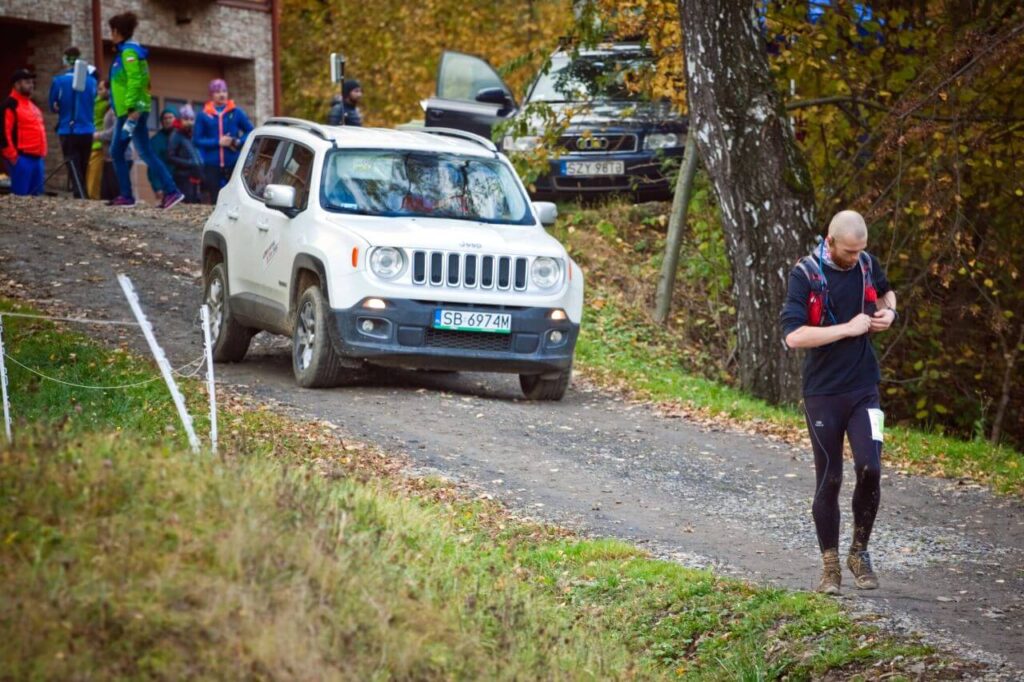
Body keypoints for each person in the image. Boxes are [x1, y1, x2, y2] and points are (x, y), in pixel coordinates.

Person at [780, 210, 898, 595]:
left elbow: (886, 290)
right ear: (830, 242)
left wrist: (889, 313)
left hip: (865, 386)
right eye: (849, 251)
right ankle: (829, 564)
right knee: (829, 478)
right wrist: (847, 328)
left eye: (861, 251)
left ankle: (859, 553)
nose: (856, 258)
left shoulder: (866, 263)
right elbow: (793, 337)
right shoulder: (806, 273)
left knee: (871, 468)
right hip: (823, 392)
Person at [106, 11, 184, 209]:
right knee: (129, 151)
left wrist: (132, 108)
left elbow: (136, 81)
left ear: (117, 31)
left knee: (129, 151)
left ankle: (164, 191)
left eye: (111, 31)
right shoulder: (127, 51)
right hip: (130, 111)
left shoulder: (129, 52)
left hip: (132, 111)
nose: (110, 35)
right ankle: (133, 195)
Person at [48, 46, 97, 198]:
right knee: (83, 165)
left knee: (73, 165)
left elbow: (53, 106)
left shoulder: (59, 81)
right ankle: (82, 194)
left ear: (66, 60)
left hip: (68, 129)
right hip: (87, 129)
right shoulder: (92, 81)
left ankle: (80, 195)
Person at [194, 78, 253, 203]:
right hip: (212, 164)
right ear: (211, 95)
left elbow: (250, 131)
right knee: (215, 198)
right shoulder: (203, 115)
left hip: (233, 161)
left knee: (235, 197)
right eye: (217, 92)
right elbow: (197, 140)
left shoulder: (236, 112)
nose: (222, 94)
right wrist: (218, 142)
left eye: (224, 91)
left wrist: (237, 141)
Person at [1, 69, 48, 196]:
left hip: (37, 159)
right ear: (17, 85)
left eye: (32, 82)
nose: (31, 85)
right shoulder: (10, 105)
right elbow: (4, 133)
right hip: (22, 158)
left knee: (37, 199)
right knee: (21, 199)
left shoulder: (32, 106)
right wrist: (13, 158)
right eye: (27, 82)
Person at [94, 93, 134, 201]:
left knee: (116, 193)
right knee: (106, 194)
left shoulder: (118, 110)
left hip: (120, 157)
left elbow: (115, 132)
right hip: (109, 158)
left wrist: (98, 135)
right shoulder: (111, 108)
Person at [167, 104, 203, 204]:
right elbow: (170, 156)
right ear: (180, 120)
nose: (189, 122)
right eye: (186, 119)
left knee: (195, 202)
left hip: (194, 176)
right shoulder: (176, 135)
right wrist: (189, 163)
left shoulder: (190, 135)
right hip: (182, 177)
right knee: (187, 203)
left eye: (191, 119)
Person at [86, 79, 111, 199]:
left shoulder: (106, 104)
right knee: (93, 175)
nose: (98, 91)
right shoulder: (99, 102)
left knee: (94, 176)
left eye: (101, 89)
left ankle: (93, 198)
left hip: (99, 142)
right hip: (95, 141)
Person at [147, 107, 178, 203]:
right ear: (161, 121)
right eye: (165, 118)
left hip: (183, 183)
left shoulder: (183, 137)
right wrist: (157, 187)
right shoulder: (156, 141)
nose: (168, 120)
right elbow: (152, 167)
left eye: (171, 117)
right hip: (165, 184)